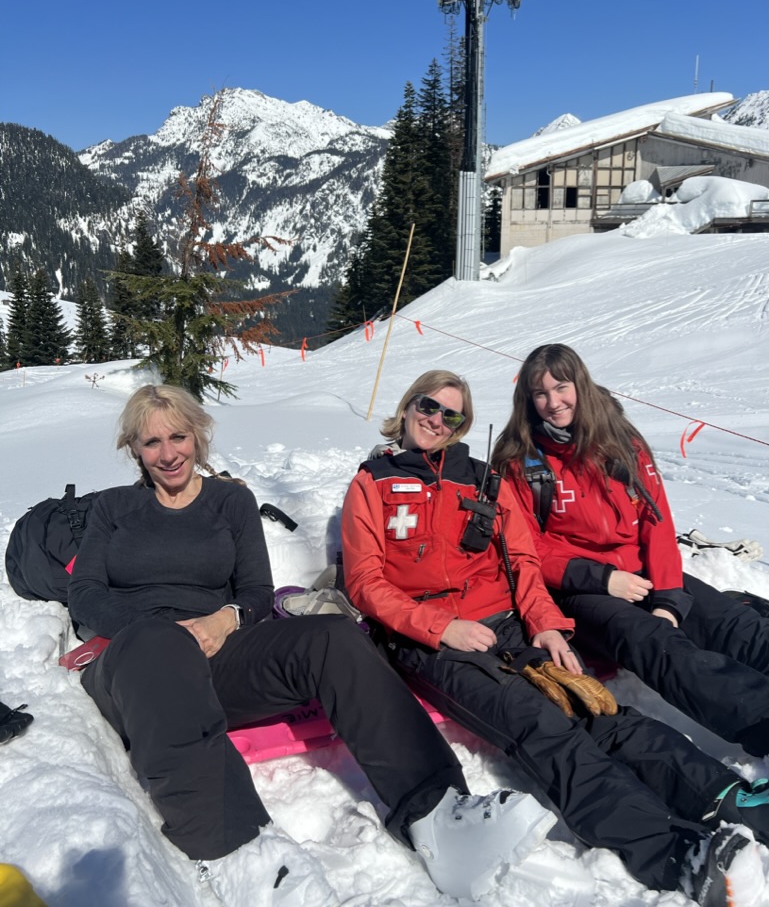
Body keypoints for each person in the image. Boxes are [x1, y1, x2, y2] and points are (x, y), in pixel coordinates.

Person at [67, 384, 549, 907]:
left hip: (218, 651)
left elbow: (255, 592)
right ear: (134, 449)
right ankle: (237, 850)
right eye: (151, 442)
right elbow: (85, 594)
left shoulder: (232, 501)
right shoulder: (113, 509)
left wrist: (223, 620)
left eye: (178, 436)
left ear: (197, 435)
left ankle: (436, 813)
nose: (167, 453)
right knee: (160, 647)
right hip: (139, 666)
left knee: (333, 637)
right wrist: (160, 629)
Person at [341, 369, 766, 907]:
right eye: (428, 406)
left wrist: (547, 624)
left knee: (602, 710)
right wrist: (441, 627)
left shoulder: (481, 479)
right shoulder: (370, 484)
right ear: (407, 407)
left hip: (511, 623)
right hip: (433, 639)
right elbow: (364, 581)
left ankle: (728, 798)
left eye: (451, 414)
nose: (436, 420)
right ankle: (675, 855)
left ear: (462, 424)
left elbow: (523, 561)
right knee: (545, 728)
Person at [492, 343, 769, 758]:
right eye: (540, 394)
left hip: (642, 573)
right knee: (659, 646)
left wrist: (670, 598)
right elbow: (524, 548)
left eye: (561, 388)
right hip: (578, 588)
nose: (553, 403)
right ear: (528, 400)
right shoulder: (521, 461)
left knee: (731, 622)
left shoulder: (620, 442)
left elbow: (656, 522)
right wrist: (603, 579)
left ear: (580, 385)